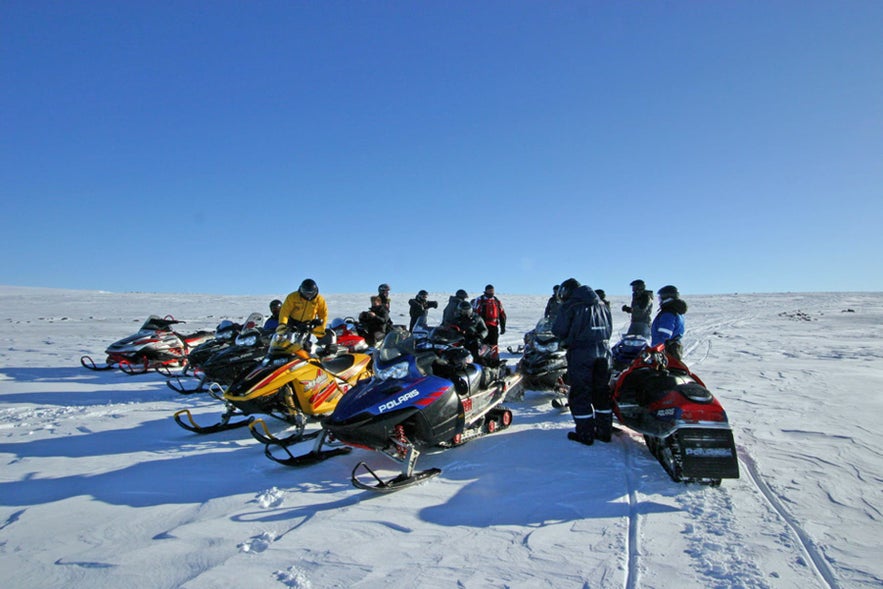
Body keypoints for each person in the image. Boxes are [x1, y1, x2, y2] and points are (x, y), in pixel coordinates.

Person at [552, 278, 614, 445]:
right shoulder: (601, 304)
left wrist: (568, 338)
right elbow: (609, 328)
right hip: (604, 352)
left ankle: (585, 434)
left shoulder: (572, 305)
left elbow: (558, 329)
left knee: (581, 392)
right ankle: (604, 430)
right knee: (601, 391)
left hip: (582, 353)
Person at [277, 278, 330, 345]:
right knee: (287, 342)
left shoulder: (319, 300)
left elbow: (323, 314)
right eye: (305, 293)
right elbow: (285, 311)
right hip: (292, 323)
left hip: (307, 325)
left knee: (304, 345)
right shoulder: (292, 297)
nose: (308, 295)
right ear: (301, 290)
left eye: (310, 293)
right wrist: (282, 324)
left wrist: (321, 329)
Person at [651, 284, 687, 359]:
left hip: (666, 350)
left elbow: (664, 335)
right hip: (673, 348)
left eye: (661, 297)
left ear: (667, 298)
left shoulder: (668, 314)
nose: (660, 300)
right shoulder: (675, 311)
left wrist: (656, 350)